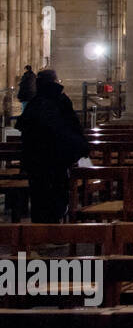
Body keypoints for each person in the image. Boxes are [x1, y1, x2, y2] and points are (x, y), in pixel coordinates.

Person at [16, 69, 89, 222]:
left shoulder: (34, 102)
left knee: (38, 193)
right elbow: (72, 126)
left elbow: (25, 129)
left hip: (35, 158)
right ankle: (55, 228)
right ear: (55, 81)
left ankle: (39, 228)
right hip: (57, 157)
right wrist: (80, 147)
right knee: (58, 191)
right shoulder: (61, 100)